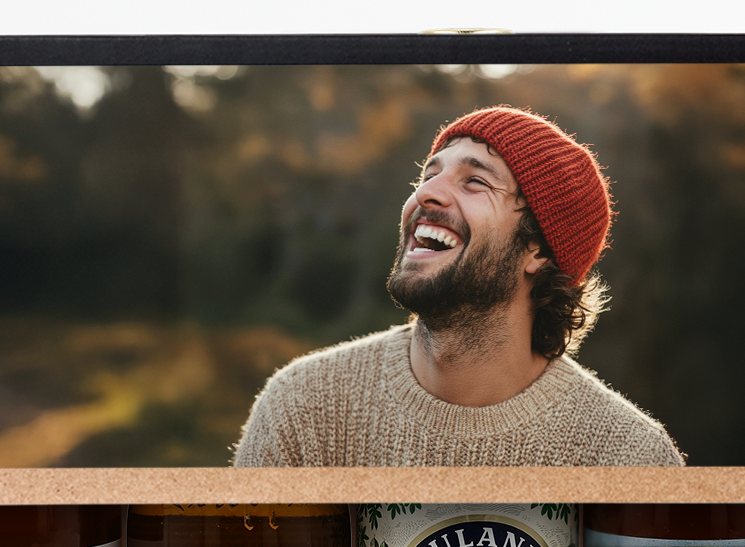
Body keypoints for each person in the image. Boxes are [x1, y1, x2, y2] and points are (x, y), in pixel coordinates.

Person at [232, 106, 683, 467]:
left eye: (475, 181)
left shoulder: (628, 457)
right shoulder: (302, 408)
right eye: (429, 175)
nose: (426, 194)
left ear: (538, 251)